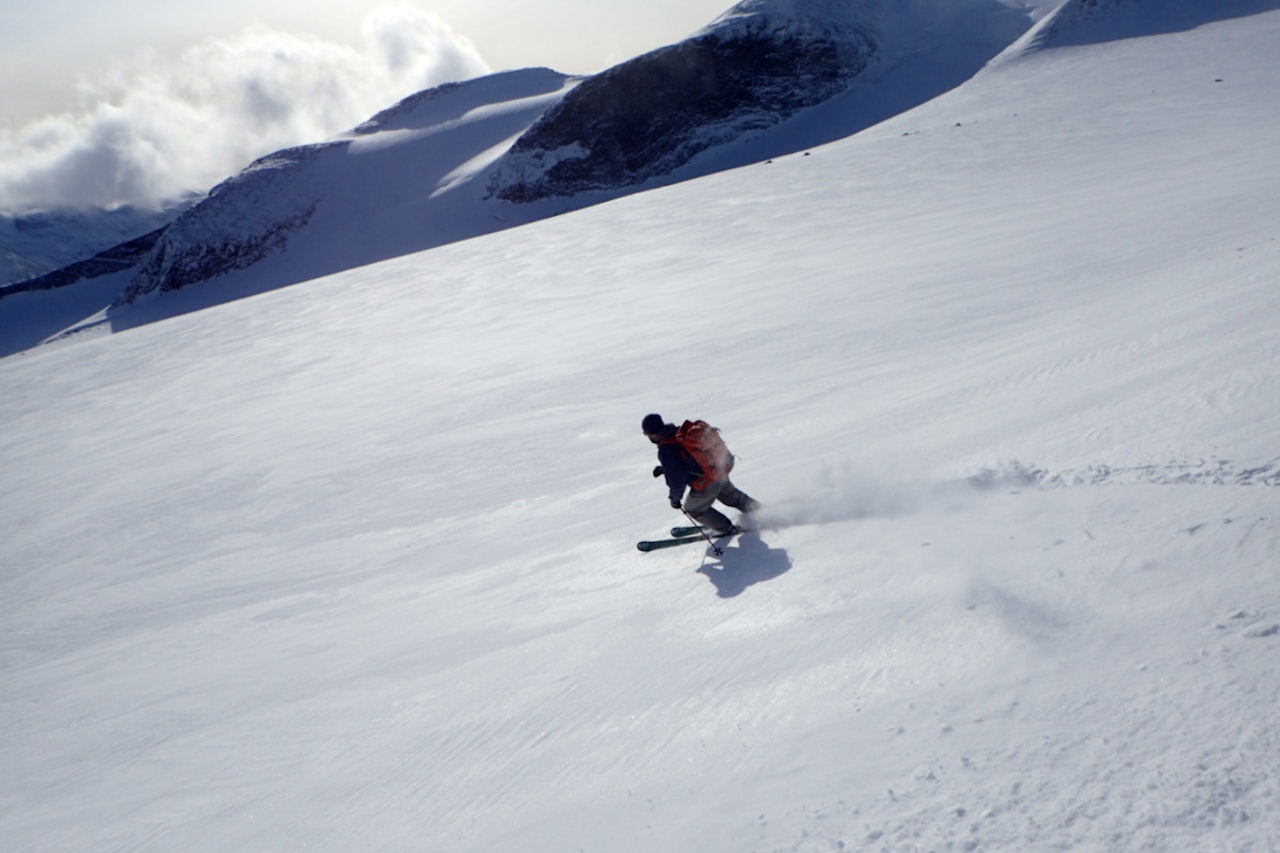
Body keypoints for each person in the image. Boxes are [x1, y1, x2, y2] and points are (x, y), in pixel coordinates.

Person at [642, 413, 759, 536]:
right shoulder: (679, 433)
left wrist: (675, 499)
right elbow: (686, 459)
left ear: (652, 434)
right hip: (718, 470)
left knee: (694, 509)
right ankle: (763, 511)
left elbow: (677, 479)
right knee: (733, 498)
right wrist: (665, 469)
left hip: (706, 482)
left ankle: (727, 528)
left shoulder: (666, 449)